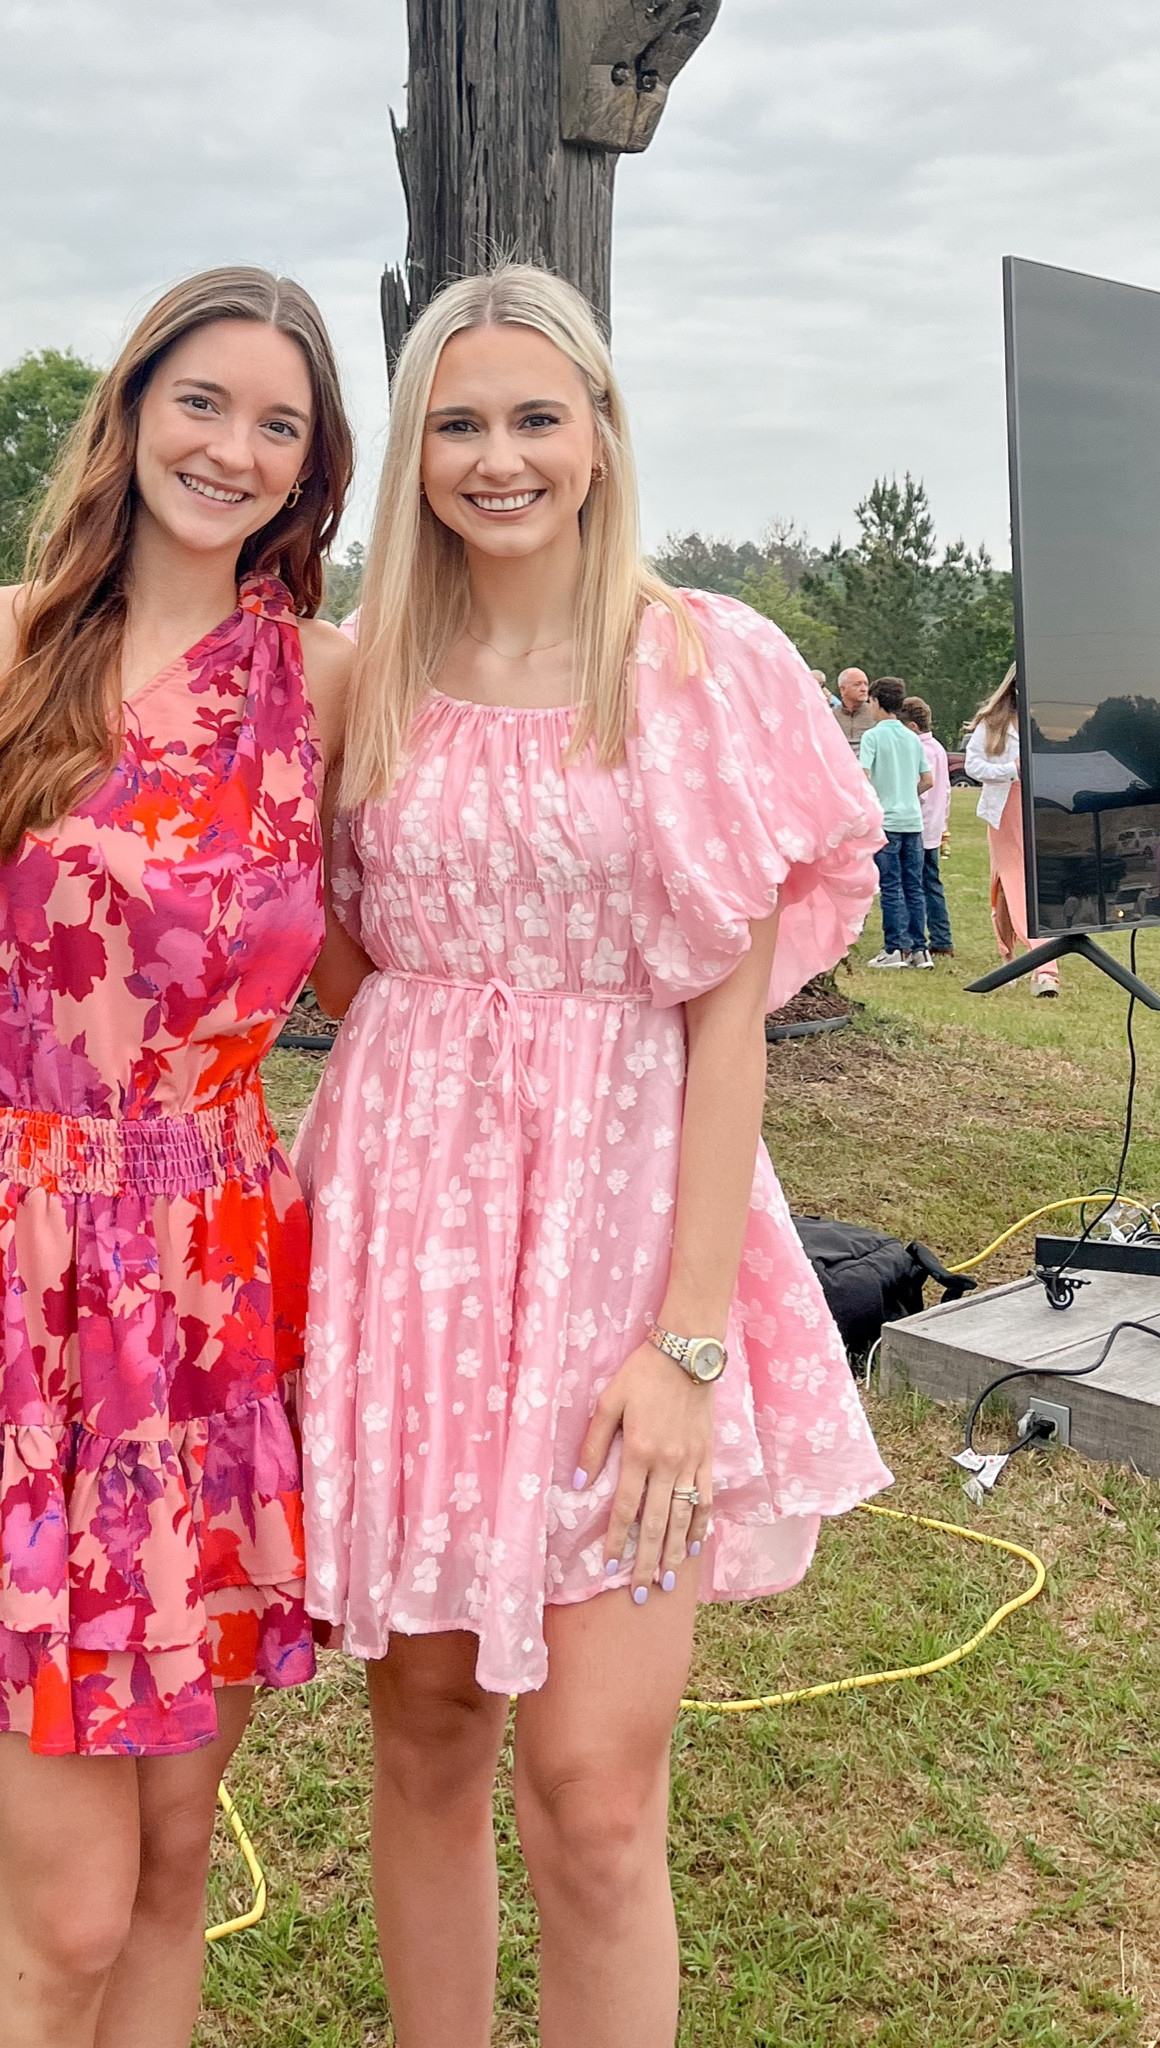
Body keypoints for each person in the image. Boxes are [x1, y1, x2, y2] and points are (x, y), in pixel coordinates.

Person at [297, 264, 893, 2048]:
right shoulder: (366, 668)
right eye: (458, 423)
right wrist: (438, 1068)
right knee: (422, 1740)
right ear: (412, 453)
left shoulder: (702, 659)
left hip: (626, 1242)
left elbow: (724, 1016)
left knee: (595, 1793)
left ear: (600, 432)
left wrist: (685, 1340)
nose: (498, 457)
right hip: (406, 1244)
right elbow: (337, 943)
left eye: (534, 417)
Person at [0, 268, 356, 2048]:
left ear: (312, 464)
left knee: (179, 1858)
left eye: (278, 422)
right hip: (10, 1290)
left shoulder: (325, 685)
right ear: (129, 410)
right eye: (204, 401)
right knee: (68, 1904)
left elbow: (448, 911)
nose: (234, 448)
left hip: (220, 1300)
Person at [965, 665, 1056, 994]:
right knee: (1016, 883)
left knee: (1019, 885)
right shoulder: (994, 723)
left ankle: (1014, 959)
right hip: (1005, 810)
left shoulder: (1047, 720)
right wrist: (1011, 769)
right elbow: (973, 765)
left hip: (1043, 809)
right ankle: (1045, 966)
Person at [860, 676, 933, 969]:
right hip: (912, 821)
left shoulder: (873, 737)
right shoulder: (911, 738)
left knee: (891, 885)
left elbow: (863, 777)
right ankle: (920, 949)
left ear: (876, 702)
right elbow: (928, 780)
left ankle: (893, 948)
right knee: (913, 886)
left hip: (886, 821)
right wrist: (906, 793)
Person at [902, 694, 953, 956]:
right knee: (931, 881)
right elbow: (945, 791)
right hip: (933, 824)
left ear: (912, 726)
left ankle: (913, 937)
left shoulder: (919, 750)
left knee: (913, 883)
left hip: (918, 823)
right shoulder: (939, 748)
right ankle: (942, 937)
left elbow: (923, 784)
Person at [832, 665, 878, 753]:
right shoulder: (831, 716)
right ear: (842, 689)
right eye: (857, 684)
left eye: (866, 684)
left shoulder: (876, 714)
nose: (864, 689)